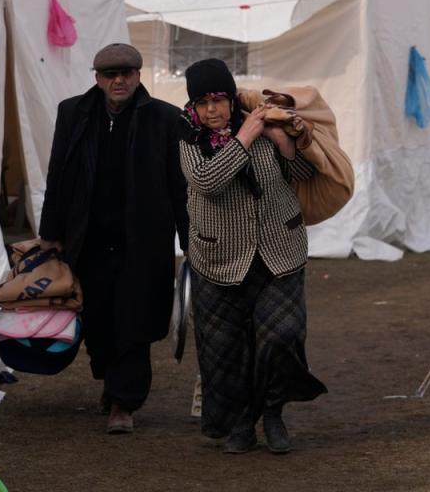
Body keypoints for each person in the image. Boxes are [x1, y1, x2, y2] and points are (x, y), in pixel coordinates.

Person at [179, 58, 327, 455]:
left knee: (281, 336)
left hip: (278, 251)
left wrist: (285, 144)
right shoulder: (188, 140)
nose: (212, 110)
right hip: (220, 258)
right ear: (193, 106)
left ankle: (274, 412)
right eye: (203, 102)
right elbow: (208, 182)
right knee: (228, 350)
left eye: (219, 100)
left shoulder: (263, 125)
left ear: (231, 98)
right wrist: (243, 138)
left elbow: (300, 172)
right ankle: (242, 422)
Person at [39, 43, 189, 434]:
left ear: (139, 76)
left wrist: (192, 241)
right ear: (98, 78)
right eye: (110, 74)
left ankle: (125, 401)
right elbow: (59, 174)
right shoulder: (73, 113)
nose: (118, 80)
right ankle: (110, 380)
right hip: (87, 238)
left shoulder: (165, 119)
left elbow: (179, 186)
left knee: (134, 320)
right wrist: (50, 233)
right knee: (97, 320)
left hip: (142, 240)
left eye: (126, 73)